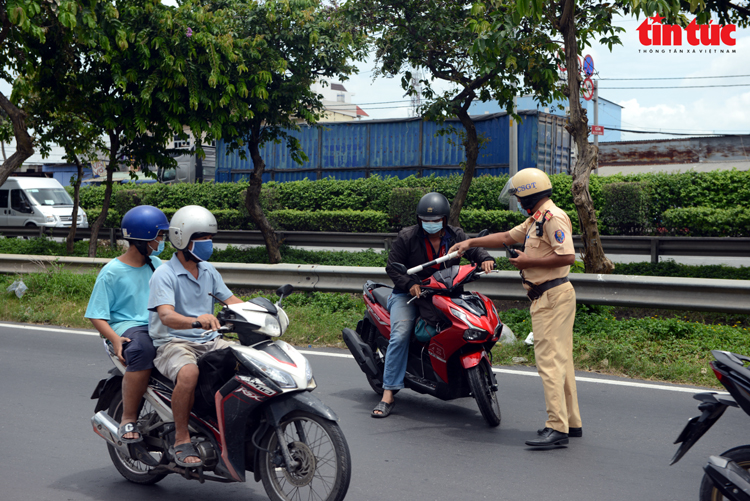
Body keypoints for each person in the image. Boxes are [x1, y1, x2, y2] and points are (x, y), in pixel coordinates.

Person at [450, 168, 581, 447]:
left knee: (549, 363)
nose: (518, 202)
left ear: (530, 195)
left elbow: (567, 255)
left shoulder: (552, 218)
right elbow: (507, 237)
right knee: (562, 362)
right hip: (549, 296)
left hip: (552, 297)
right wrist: (471, 242)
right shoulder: (537, 219)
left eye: (519, 197)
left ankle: (557, 428)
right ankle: (571, 422)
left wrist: (528, 263)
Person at [373, 192, 495, 418]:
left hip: (446, 292)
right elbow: (392, 267)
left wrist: (485, 257)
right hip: (410, 294)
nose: (431, 224)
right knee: (400, 334)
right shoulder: (407, 237)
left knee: (468, 326)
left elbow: (473, 248)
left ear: (445, 219)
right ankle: (388, 393)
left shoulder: (456, 234)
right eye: (426, 220)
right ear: (419, 220)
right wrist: (409, 283)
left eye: (436, 220)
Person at [148, 205, 243, 467]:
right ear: (182, 239)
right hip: (173, 342)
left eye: (210, 238)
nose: (208, 244)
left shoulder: (209, 271)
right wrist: (195, 321)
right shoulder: (164, 274)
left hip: (209, 340)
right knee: (189, 373)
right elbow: (166, 316)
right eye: (202, 238)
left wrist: (259, 313)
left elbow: (231, 300)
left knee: (249, 362)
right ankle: (181, 438)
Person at [85, 205, 170, 443]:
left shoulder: (157, 264)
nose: (162, 241)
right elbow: (96, 314)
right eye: (159, 236)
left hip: (158, 324)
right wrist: (114, 338)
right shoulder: (112, 271)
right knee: (142, 349)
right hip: (129, 326)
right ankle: (128, 418)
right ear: (143, 238)